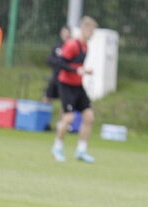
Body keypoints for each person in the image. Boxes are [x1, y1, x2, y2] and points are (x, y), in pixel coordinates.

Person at [51, 16, 97, 163]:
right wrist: (75, 70)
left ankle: (81, 151)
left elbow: (77, 66)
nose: (92, 34)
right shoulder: (72, 45)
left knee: (89, 117)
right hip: (66, 85)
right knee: (68, 118)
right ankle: (57, 147)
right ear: (84, 29)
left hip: (78, 86)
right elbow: (60, 63)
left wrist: (84, 71)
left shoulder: (85, 46)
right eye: (91, 31)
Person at [42, 25, 71, 105]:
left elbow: (69, 63)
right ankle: (44, 115)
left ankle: (63, 117)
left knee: (65, 101)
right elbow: (50, 60)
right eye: (63, 33)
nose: (65, 35)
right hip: (55, 78)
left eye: (67, 33)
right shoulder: (57, 46)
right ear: (61, 34)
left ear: (70, 34)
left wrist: (61, 63)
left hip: (66, 79)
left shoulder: (72, 47)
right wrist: (58, 62)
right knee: (46, 97)